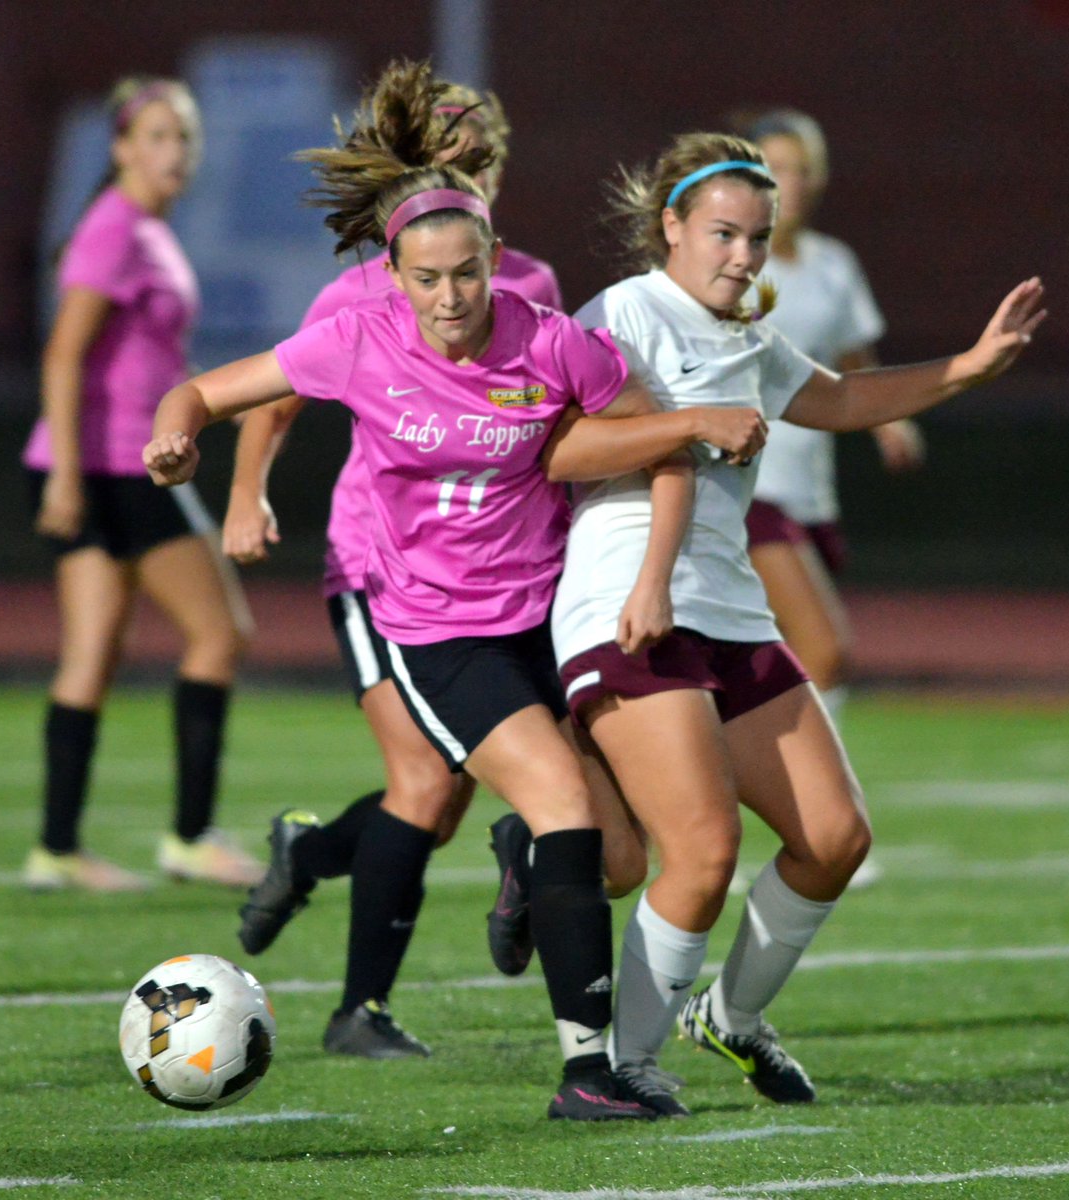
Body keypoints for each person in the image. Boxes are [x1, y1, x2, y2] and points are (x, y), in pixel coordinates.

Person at [141, 59, 765, 1121]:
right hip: (433, 625)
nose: (448, 298)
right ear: (392, 274)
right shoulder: (356, 336)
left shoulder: (550, 335)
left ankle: (527, 882)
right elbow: (204, 390)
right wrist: (179, 442)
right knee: (529, 802)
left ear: (492, 257)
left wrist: (666, 529)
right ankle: (586, 1072)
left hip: (546, 616)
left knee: (615, 857)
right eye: (426, 279)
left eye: (466, 275)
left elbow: (657, 442)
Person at [541, 133, 1042, 1116]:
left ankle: (730, 1017)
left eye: (757, 238)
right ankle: (620, 1069)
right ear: (672, 226)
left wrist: (972, 367)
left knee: (835, 837)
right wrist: (692, 424)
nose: (742, 256)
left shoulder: (749, 337)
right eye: (722, 233)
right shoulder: (622, 313)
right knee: (701, 851)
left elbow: (845, 398)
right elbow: (559, 449)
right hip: (627, 603)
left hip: (729, 610)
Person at [222, 70, 566, 1060]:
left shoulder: (530, 285)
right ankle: (356, 1012)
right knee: (421, 782)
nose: (463, 173)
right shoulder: (368, 286)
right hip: (380, 568)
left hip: (499, 579)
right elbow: (275, 395)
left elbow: (563, 416)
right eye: (443, 157)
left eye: (478, 157)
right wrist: (247, 494)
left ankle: (312, 849)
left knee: (444, 801)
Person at [20, 76, 261, 893]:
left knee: (93, 653)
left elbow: (145, 356)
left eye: (184, 136)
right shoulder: (115, 228)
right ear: (121, 147)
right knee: (220, 632)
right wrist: (66, 476)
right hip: (119, 466)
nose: (174, 151)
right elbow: (63, 353)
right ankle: (190, 837)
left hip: (109, 462)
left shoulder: (143, 228)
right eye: (156, 135)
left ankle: (56, 849)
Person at [740, 113, 924, 888]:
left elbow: (850, 360)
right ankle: (821, 820)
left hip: (811, 488)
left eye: (800, 168)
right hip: (748, 487)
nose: (789, 182)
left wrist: (890, 420)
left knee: (757, 667)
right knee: (823, 650)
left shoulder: (831, 263)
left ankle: (784, 817)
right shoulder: (732, 261)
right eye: (773, 167)